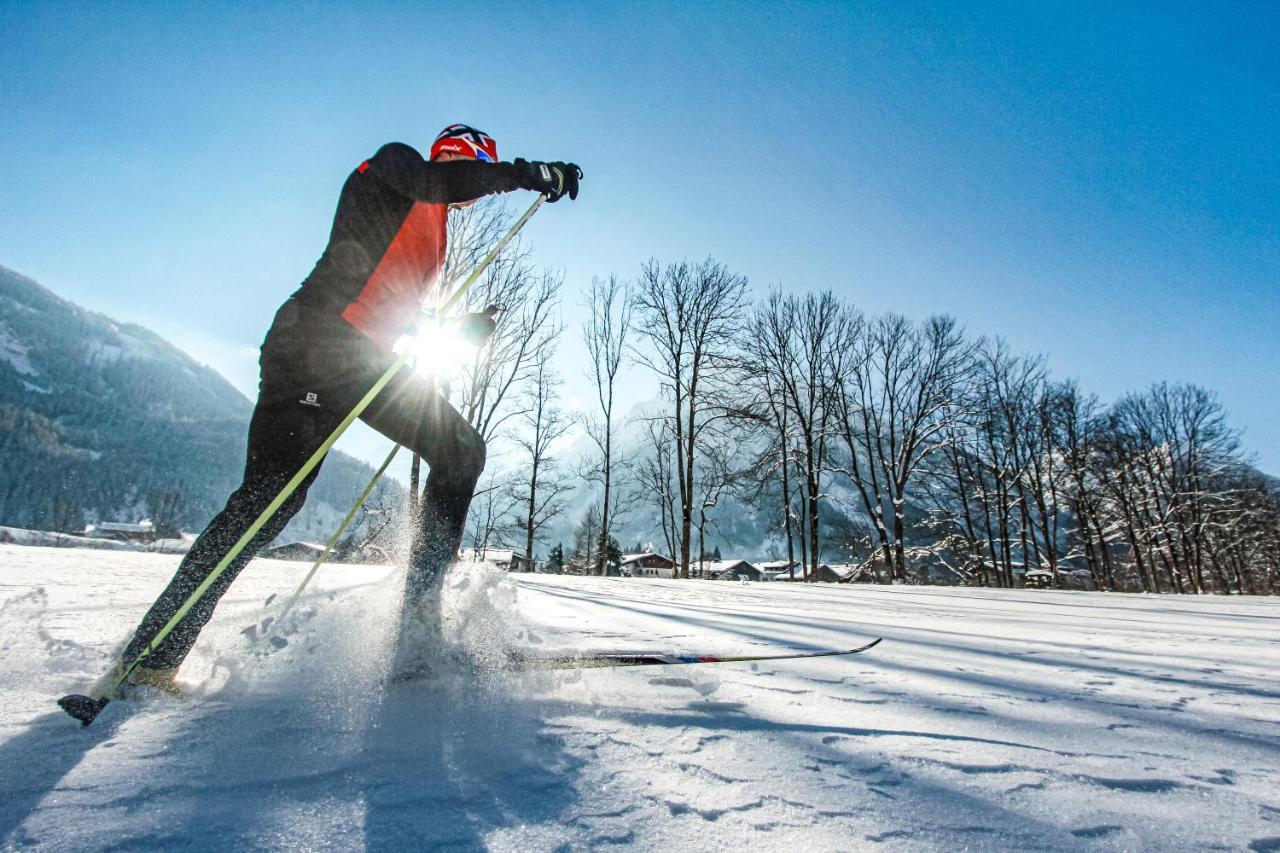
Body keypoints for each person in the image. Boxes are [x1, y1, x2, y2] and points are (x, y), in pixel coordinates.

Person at [117, 124, 582, 693]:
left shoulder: (433, 222)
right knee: (269, 502)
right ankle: (152, 656)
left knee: (460, 451)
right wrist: (522, 173)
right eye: (480, 169)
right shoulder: (398, 167)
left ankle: (416, 634)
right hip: (313, 348)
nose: (476, 194)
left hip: (362, 360)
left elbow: (388, 303)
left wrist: (453, 328)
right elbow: (431, 180)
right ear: (466, 158)